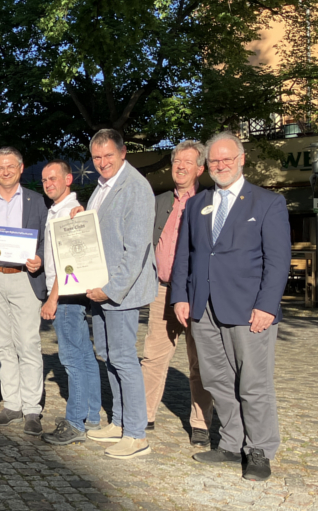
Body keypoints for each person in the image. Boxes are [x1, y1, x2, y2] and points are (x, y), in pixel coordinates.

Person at [172, 132, 290, 482]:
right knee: (215, 379)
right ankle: (231, 442)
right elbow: (185, 255)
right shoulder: (197, 203)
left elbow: (278, 260)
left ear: (242, 159)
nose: (220, 165)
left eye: (227, 159)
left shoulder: (268, 202)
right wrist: (180, 295)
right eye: (214, 161)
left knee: (253, 383)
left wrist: (267, 305)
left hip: (249, 308)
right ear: (206, 166)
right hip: (203, 306)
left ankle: (259, 449)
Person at [71, 129, 157, 459]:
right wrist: (83, 218)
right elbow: (103, 231)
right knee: (108, 355)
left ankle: (136, 435)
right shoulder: (102, 187)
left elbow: (136, 248)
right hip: (100, 288)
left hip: (120, 290)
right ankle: (120, 422)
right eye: (96, 157)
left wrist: (110, 290)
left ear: (123, 153)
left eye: (108, 155)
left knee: (123, 358)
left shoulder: (134, 187)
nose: (103, 162)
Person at [141, 141, 214, 444]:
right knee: (153, 357)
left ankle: (201, 422)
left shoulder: (210, 202)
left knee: (200, 362)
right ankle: (143, 415)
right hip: (161, 289)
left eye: (188, 162)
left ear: (201, 168)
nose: (180, 166)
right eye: (176, 161)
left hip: (198, 293)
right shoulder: (159, 202)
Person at [0, 147, 48, 436]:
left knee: (28, 344)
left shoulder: (37, 201)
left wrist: (41, 258)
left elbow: (48, 238)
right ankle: (11, 403)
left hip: (24, 277)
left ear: (21, 168)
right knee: (3, 345)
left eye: (10, 166)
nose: (5, 171)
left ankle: (32, 408)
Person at [39, 160, 101, 445]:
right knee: (85, 356)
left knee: (72, 359)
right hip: (70, 291)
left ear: (69, 179)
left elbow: (68, 263)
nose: (49, 183)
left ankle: (75, 422)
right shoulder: (57, 210)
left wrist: (52, 299)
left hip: (66, 292)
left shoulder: (69, 213)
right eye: (44, 180)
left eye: (54, 178)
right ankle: (92, 416)